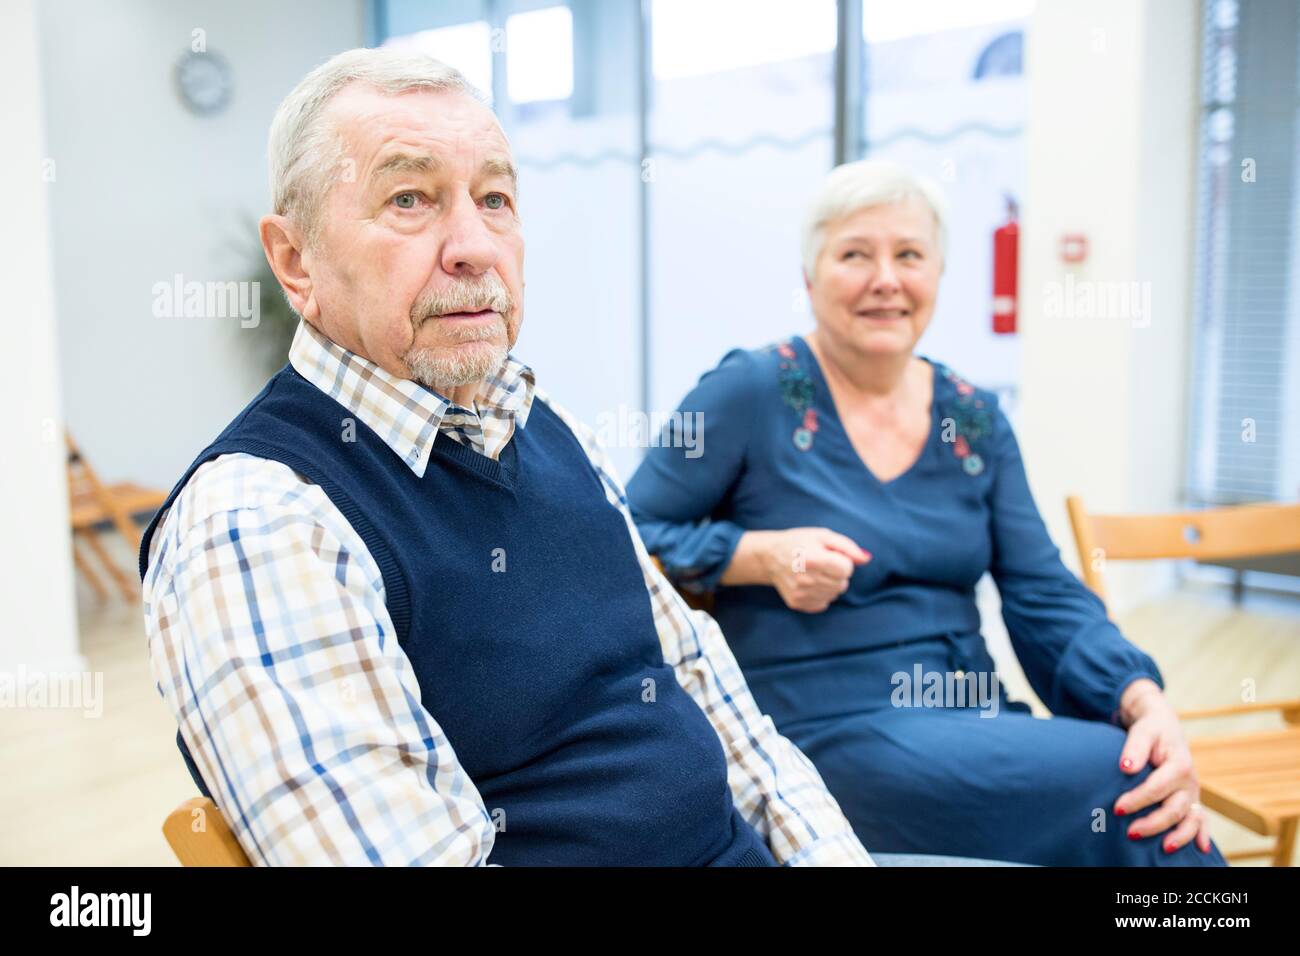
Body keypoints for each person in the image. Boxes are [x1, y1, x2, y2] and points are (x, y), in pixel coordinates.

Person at [138, 48, 873, 867]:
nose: (474, 246)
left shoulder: (549, 430)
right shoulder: (260, 520)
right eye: (409, 198)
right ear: (295, 261)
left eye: (495, 199)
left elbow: (722, 710)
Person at [626, 159, 1227, 867]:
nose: (886, 278)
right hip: (817, 728)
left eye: (909, 255)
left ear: (938, 275)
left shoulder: (974, 417)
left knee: (1133, 766)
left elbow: (1042, 590)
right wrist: (759, 556)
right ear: (812, 277)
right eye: (855, 254)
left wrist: (1137, 692)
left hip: (971, 715)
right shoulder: (749, 391)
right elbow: (625, 537)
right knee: (1124, 782)